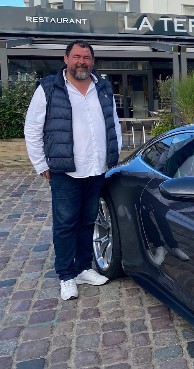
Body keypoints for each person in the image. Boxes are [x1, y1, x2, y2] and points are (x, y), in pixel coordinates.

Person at [24, 40, 122, 301]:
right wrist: (40, 164)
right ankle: (66, 275)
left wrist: (113, 153)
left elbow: (113, 122)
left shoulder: (102, 87)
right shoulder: (49, 88)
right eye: (77, 56)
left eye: (87, 57)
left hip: (96, 167)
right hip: (65, 170)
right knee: (66, 223)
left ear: (92, 61)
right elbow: (32, 129)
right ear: (65, 59)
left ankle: (82, 268)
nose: (82, 61)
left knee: (88, 221)